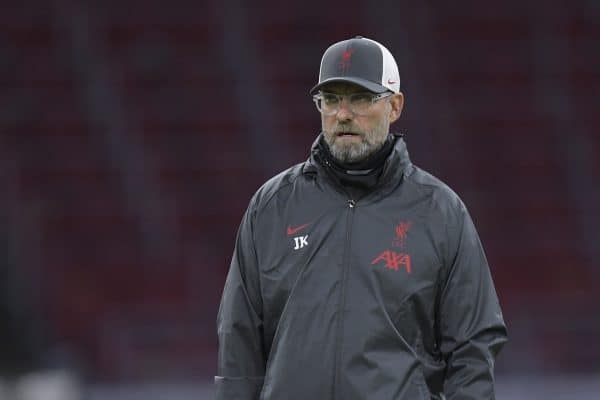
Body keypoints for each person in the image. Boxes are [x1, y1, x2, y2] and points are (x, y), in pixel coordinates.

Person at [216, 36, 508, 400]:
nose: (343, 114)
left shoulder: (440, 213)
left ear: (395, 105)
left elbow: (473, 345)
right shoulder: (272, 207)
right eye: (332, 99)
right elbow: (238, 342)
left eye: (360, 98)